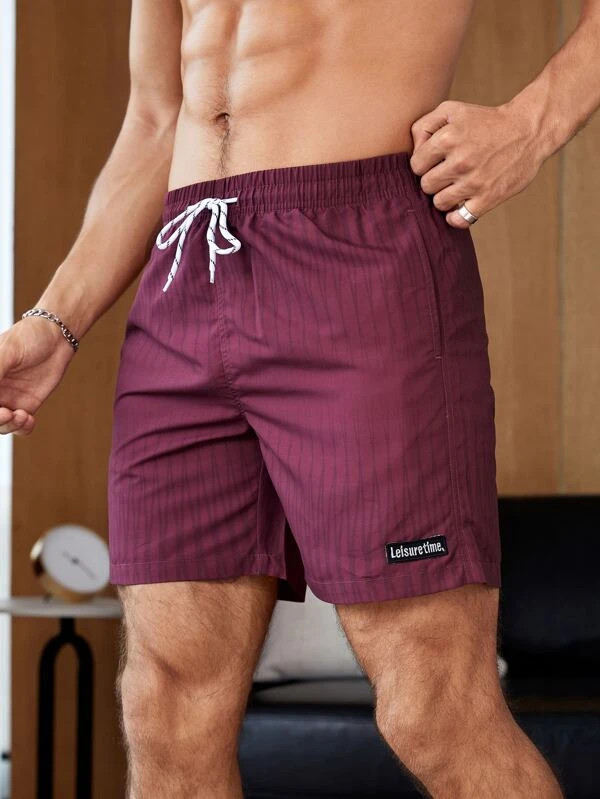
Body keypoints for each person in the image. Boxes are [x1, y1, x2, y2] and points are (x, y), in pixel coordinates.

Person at [2, 1, 598, 796]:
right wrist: (55, 322)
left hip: (359, 251)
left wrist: (532, 123)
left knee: (432, 705)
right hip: (184, 270)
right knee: (166, 708)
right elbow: (157, 118)